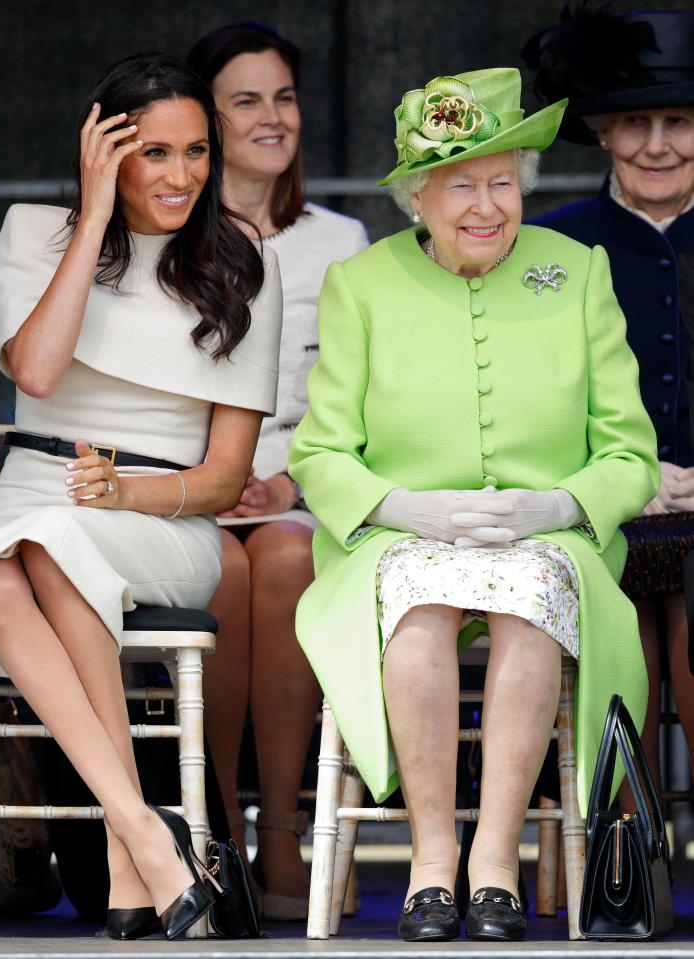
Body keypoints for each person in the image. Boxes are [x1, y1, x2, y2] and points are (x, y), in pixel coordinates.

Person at [289, 67, 659, 942]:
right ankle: (429, 861)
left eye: (503, 182)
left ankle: (494, 861)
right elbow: (320, 450)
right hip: (401, 537)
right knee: (419, 611)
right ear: (419, 196)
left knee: (529, 609)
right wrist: (405, 506)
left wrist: (558, 505)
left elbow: (629, 449)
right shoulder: (361, 283)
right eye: (462, 185)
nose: (487, 205)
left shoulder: (577, 272)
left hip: (549, 539)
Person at [0, 53, 281, 941]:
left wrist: (131, 491)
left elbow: (228, 479)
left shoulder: (243, 267)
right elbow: (39, 372)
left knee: (38, 550)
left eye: (196, 152)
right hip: (37, 492)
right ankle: (143, 840)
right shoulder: (33, 232)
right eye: (153, 153)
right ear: (105, 151)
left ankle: (138, 846)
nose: (181, 175)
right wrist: (90, 218)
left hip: (164, 517)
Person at [186, 22, 368, 920]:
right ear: (208, 122)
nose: (272, 116)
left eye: (284, 97)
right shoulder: (163, 235)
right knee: (219, 570)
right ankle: (213, 828)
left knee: (289, 558)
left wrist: (290, 482)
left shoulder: (342, 240)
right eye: (246, 100)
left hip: (303, 482)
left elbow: (361, 393)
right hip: (187, 484)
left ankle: (285, 829)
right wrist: (214, 477)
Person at [523, 7, 694, 801]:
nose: (658, 144)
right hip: (598, 512)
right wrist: (623, 477)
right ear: (600, 130)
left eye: (679, 122)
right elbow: (529, 398)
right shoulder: (551, 246)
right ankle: (634, 854)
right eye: (635, 122)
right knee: (622, 626)